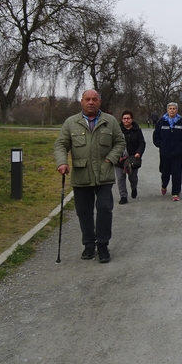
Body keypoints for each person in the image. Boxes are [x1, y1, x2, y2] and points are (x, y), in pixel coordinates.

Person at [54, 89, 125, 263]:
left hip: (104, 173)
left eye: (94, 99)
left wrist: (111, 158)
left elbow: (120, 142)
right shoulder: (71, 123)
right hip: (81, 175)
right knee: (84, 212)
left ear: (99, 102)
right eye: (87, 99)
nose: (91, 102)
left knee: (104, 208)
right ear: (82, 102)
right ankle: (88, 244)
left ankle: (102, 245)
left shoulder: (110, 122)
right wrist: (62, 162)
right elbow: (61, 144)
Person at [152, 102, 182, 201]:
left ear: (177, 110)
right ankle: (164, 185)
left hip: (177, 152)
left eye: (174, 109)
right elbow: (156, 135)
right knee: (165, 173)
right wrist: (161, 145)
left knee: (177, 173)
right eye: (170, 109)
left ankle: (175, 193)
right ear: (167, 110)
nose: (172, 110)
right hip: (165, 152)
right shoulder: (161, 122)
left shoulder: (181, 121)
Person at [114, 110, 146, 204]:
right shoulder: (117, 130)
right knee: (120, 178)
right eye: (124, 118)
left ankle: (134, 188)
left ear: (132, 119)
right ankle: (123, 196)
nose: (126, 120)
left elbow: (142, 143)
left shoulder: (137, 130)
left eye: (128, 118)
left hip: (133, 158)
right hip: (119, 158)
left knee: (133, 178)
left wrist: (139, 152)